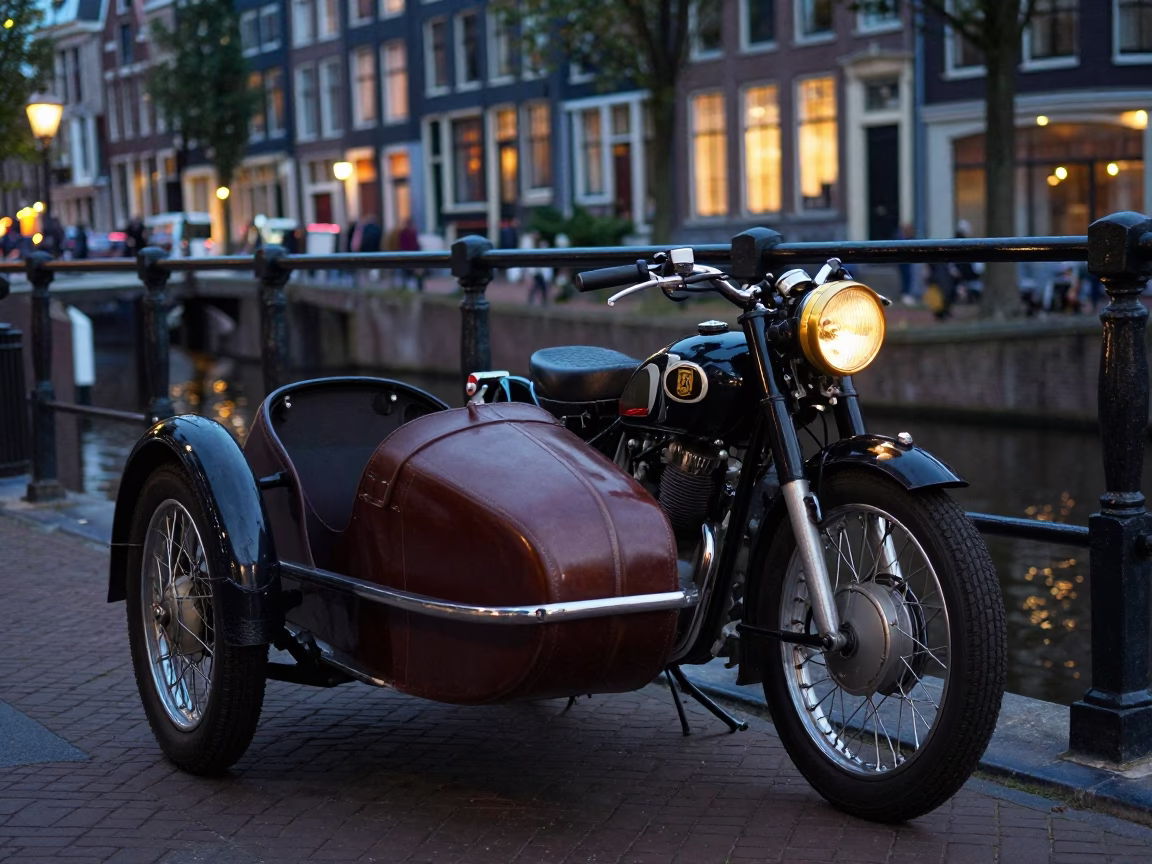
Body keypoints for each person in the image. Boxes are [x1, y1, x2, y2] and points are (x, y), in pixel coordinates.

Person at [398, 219, 421, 290]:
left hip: (410, 254)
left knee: (411, 271)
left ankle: (414, 286)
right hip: (409, 254)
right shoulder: (407, 232)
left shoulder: (409, 232)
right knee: (408, 271)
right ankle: (409, 286)